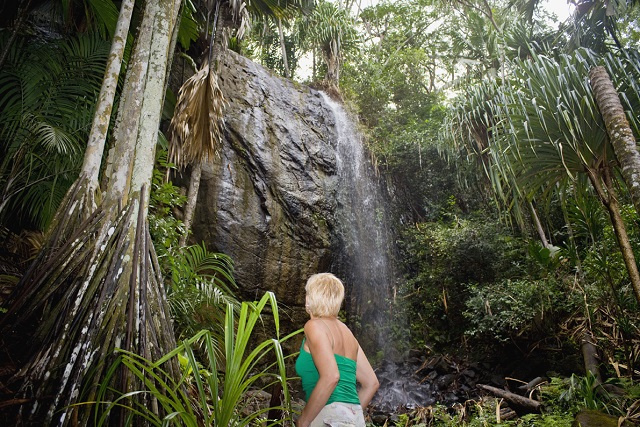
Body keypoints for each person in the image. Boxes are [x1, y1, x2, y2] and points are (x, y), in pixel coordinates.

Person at [295, 273, 379, 427]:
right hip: (356, 419)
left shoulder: (314, 326)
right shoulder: (347, 332)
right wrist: (347, 415)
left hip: (327, 416)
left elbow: (331, 376)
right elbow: (371, 383)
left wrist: (304, 420)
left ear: (309, 299)